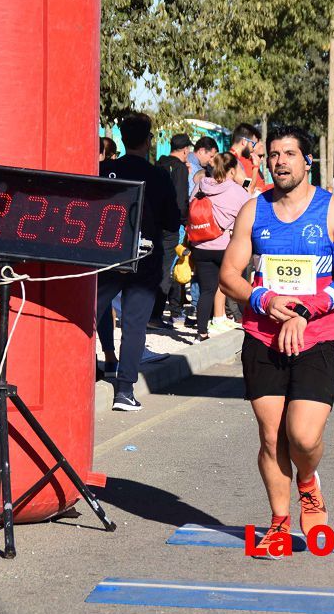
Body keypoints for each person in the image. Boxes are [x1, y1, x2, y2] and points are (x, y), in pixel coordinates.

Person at [219, 125, 334, 556]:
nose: (280, 161)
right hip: (262, 335)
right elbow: (228, 275)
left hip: (315, 336)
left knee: (302, 437)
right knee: (270, 436)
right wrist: (262, 298)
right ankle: (279, 522)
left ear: (307, 162)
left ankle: (308, 482)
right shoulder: (252, 211)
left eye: (289, 154)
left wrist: (302, 310)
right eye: (274, 155)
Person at [96, 113, 180, 411]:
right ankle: (124, 390)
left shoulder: (104, 169)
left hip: (107, 253)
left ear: (121, 136)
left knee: (90, 310)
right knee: (134, 324)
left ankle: (90, 368)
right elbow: (172, 221)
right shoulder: (159, 176)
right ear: (148, 141)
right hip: (145, 257)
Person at [189, 152, 250, 343]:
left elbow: (191, 207)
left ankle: (202, 333)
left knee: (207, 289)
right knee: (236, 285)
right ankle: (248, 322)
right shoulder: (237, 191)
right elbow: (248, 213)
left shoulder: (201, 185)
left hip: (200, 244)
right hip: (225, 246)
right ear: (232, 170)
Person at [153, 133, 192, 328]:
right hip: (171, 225)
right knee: (167, 269)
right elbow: (180, 199)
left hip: (153, 223)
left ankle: (149, 312)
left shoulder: (159, 165)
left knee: (153, 266)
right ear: (185, 149)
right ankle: (155, 316)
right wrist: (184, 220)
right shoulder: (180, 169)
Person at [229, 123, 263, 192]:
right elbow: (249, 189)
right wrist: (256, 167)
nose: (253, 149)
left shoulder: (230, 157)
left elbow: (245, 183)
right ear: (244, 142)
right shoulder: (232, 162)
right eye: (253, 144)